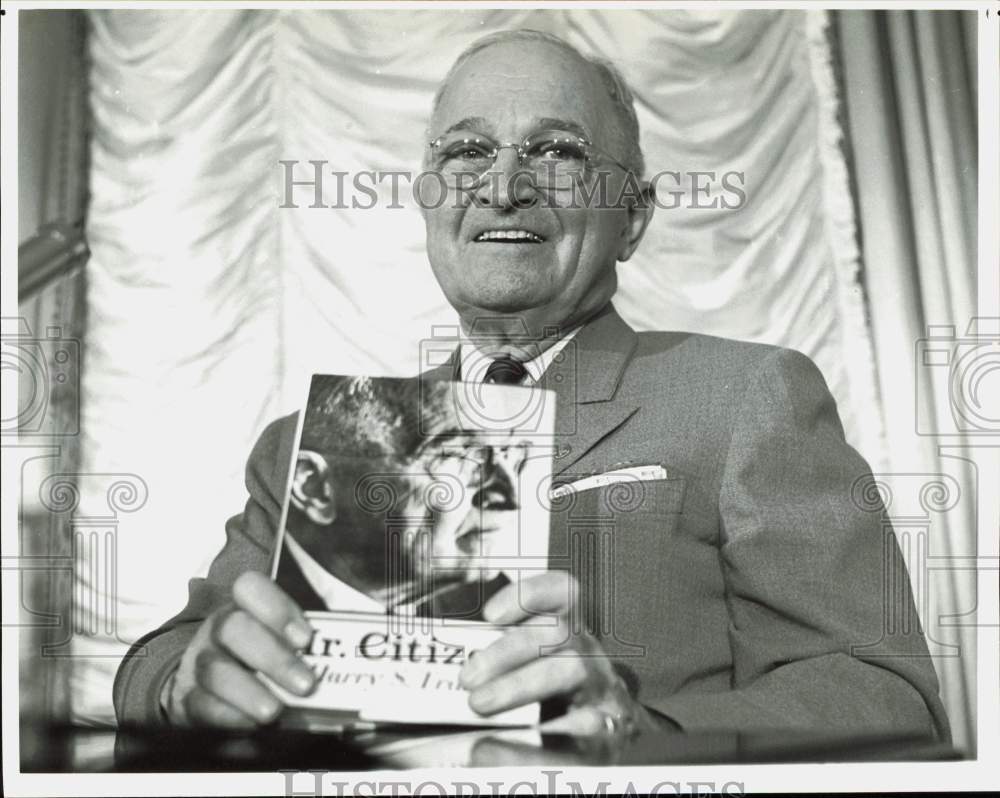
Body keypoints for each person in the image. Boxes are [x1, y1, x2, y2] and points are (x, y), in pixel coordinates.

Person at [114, 29, 950, 739]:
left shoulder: (746, 398)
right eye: (467, 151)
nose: (503, 185)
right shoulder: (317, 442)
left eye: (557, 151)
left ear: (634, 217)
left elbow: (888, 697)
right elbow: (155, 662)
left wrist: (634, 731)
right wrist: (189, 680)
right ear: (428, 196)